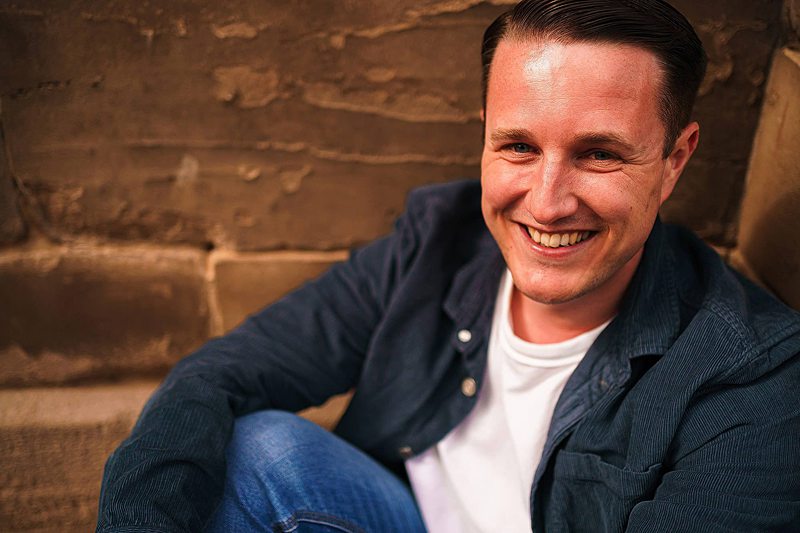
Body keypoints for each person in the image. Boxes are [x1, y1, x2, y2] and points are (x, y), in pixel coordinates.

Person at [97, 1, 800, 532]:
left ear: (675, 158)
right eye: (518, 146)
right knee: (262, 450)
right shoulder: (437, 240)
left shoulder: (754, 368)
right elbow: (223, 373)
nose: (548, 203)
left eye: (599, 153)